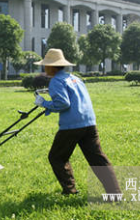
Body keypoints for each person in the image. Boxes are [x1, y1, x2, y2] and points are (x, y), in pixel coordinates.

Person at [34, 48, 121, 195]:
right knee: (97, 159)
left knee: (56, 157)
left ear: (52, 66)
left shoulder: (55, 81)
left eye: (46, 64)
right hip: (89, 122)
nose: (44, 67)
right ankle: (115, 192)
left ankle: (70, 189)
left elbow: (63, 103)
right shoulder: (75, 78)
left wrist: (44, 103)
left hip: (71, 126)